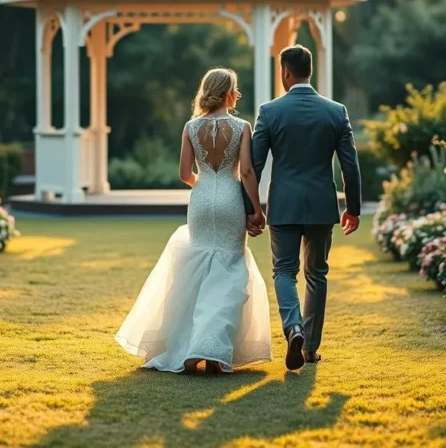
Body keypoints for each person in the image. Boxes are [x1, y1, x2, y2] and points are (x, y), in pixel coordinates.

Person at [115, 67, 272, 373]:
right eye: (235, 90)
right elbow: (247, 172)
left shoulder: (190, 127)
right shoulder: (242, 127)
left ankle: (187, 347)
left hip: (200, 200)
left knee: (197, 268)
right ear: (228, 93)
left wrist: (203, 183)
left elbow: (184, 174)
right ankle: (211, 351)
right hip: (230, 199)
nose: (237, 94)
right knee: (228, 272)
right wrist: (257, 208)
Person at [248, 44, 362, 371]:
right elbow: (350, 165)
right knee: (317, 274)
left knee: (284, 271)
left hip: (284, 205)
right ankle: (310, 347)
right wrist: (352, 207)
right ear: (309, 70)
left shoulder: (270, 111)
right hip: (322, 205)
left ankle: (293, 327)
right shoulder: (336, 111)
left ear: (285, 72)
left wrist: (250, 210)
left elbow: (254, 165)